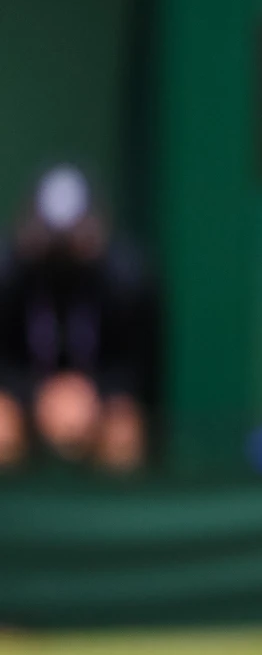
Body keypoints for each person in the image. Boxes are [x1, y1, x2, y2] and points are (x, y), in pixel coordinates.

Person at [0, 165, 158, 472]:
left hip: (97, 401)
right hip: (24, 398)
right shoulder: (7, 279)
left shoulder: (126, 282)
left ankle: (116, 518)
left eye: (73, 235)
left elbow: (139, 373)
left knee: (123, 434)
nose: (63, 249)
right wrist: (38, 395)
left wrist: (92, 395)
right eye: (50, 235)